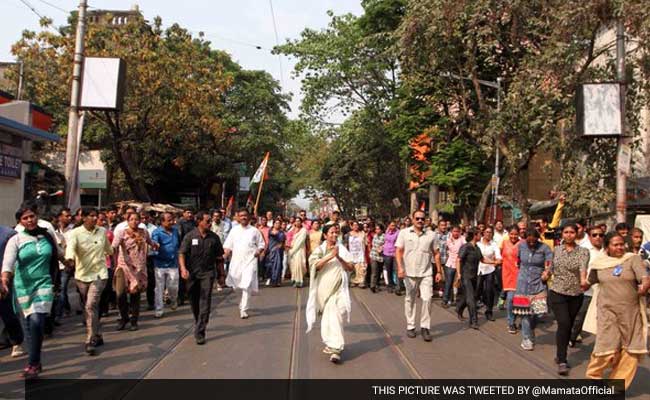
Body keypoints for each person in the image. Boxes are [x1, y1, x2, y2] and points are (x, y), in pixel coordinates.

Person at [583, 232, 650, 390]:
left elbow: (645, 278)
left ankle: (616, 386)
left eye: (622, 244)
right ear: (607, 247)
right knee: (606, 346)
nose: (620, 247)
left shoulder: (631, 259)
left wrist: (644, 287)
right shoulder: (599, 263)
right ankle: (593, 376)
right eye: (615, 245)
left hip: (631, 312)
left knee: (631, 350)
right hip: (607, 311)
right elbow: (588, 282)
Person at [1, 205, 58, 379]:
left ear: (37, 216)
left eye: (32, 216)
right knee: (30, 326)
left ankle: (33, 364)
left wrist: (69, 262)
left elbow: (57, 253)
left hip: (44, 284)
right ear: (20, 221)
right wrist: (4, 281)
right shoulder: (16, 240)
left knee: (36, 321)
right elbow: (8, 263)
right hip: (23, 287)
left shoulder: (47, 235)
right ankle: (36, 361)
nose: (29, 220)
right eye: (25, 218)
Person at [64, 208, 113, 356]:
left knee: (91, 304)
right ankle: (97, 333)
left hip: (99, 274)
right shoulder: (75, 233)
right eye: (91, 216)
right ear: (83, 218)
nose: (94, 218)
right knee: (90, 306)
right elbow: (70, 249)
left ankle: (89, 340)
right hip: (82, 275)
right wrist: (70, 260)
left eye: (95, 216)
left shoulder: (102, 231)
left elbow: (109, 250)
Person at [306, 224, 354, 363]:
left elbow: (350, 267)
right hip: (324, 289)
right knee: (330, 316)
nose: (334, 235)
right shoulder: (320, 250)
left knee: (336, 314)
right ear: (325, 235)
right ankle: (333, 345)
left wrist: (338, 257)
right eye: (331, 233)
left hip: (339, 288)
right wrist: (330, 256)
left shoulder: (342, 249)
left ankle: (335, 347)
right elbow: (314, 266)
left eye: (336, 233)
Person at [548, 223, 589, 375]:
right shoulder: (557, 250)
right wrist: (546, 274)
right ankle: (563, 360)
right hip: (557, 291)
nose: (569, 235)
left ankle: (560, 354)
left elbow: (583, 268)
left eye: (572, 232)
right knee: (564, 323)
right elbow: (552, 267)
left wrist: (583, 280)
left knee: (567, 326)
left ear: (576, 234)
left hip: (575, 294)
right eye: (566, 232)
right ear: (562, 234)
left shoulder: (583, 252)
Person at [396, 210, 442, 342]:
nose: (420, 221)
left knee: (427, 299)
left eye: (422, 219)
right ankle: (410, 326)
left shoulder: (432, 235)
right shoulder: (404, 233)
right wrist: (400, 267)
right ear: (412, 219)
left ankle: (425, 327)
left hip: (426, 273)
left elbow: (436, 253)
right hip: (409, 273)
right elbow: (398, 251)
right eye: (417, 218)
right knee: (410, 299)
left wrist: (439, 271)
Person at [179, 211, 224, 344]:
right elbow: (181, 253)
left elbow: (219, 258)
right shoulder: (189, 236)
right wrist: (183, 268)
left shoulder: (214, 238)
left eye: (210, 221)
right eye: (207, 221)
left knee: (205, 301)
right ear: (199, 221)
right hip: (192, 274)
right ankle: (199, 320)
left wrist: (221, 275)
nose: (210, 223)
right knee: (194, 301)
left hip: (208, 274)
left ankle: (200, 331)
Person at [112, 212, 158, 331]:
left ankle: (134, 320)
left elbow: (150, 242)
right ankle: (123, 317)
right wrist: (111, 259)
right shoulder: (121, 232)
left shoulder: (144, 232)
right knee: (120, 294)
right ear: (127, 221)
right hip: (124, 266)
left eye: (137, 219)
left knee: (135, 295)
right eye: (131, 219)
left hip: (139, 268)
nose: (134, 221)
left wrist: (155, 245)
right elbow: (113, 247)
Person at [514, 229, 553, 351]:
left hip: (538, 283)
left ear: (538, 239)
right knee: (525, 313)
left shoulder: (545, 248)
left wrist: (546, 273)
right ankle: (527, 338)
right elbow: (518, 261)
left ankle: (531, 328)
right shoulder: (521, 246)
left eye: (533, 242)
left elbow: (549, 264)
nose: (531, 244)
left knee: (539, 311)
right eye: (529, 241)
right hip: (523, 284)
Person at [224, 209, 265, 319]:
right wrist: (224, 255)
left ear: (249, 217)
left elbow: (261, 244)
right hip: (236, 262)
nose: (243, 218)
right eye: (241, 216)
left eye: (245, 216)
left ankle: (244, 309)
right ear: (237, 217)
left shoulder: (255, 231)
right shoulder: (234, 230)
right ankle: (241, 303)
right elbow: (228, 246)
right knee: (236, 287)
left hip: (250, 261)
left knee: (246, 285)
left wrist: (258, 251)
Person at [570, 225, 605, 346]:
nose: (598, 238)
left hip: (605, 292)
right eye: (594, 235)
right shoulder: (583, 250)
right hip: (587, 291)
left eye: (601, 235)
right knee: (580, 317)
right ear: (589, 237)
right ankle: (572, 337)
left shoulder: (608, 250)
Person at [0, 225, 25, 360]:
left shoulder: (8, 234)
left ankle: (16, 341)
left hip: (3, 279)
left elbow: (16, 257)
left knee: (7, 312)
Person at [151, 212, 181, 318]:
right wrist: (155, 245)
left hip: (173, 263)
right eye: (169, 220)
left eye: (172, 219)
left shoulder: (175, 231)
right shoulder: (157, 232)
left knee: (173, 286)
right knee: (159, 287)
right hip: (160, 264)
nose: (172, 222)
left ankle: (173, 300)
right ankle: (159, 309)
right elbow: (154, 242)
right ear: (162, 221)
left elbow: (179, 245)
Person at [455, 229, 483, 329]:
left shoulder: (477, 248)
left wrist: (495, 262)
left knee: (468, 296)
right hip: (465, 276)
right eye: (480, 234)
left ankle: (459, 308)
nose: (481, 236)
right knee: (471, 299)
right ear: (475, 235)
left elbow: (482, 259)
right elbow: (458, 260)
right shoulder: (466, 247)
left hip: (474, 276)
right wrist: (458, 274)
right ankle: (473, 321)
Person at [476, 226, 501, 321]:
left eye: (490, 232)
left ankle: (489, 311)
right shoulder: (478, 243)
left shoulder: (494, 245)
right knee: (477, 289)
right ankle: (474, 307)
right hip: (479, 269)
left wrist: (498, 260)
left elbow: (498, 256)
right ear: (483, 233)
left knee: (489, 290)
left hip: (490, 269)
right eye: (486, 232)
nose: (488, 234)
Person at [500, 225, 521, 334]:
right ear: (508, 234)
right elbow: (500, 256)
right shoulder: (504, 243)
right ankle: (511, 322)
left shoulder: (522, 244)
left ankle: (522, 319)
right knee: (510, 299)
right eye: (511, 234)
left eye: (515, 234)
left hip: (520, 275)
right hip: (507, 275)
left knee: (519, 300)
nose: (513, 236)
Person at [443, 226, 465, 307]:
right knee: (448, 283)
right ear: (451, 232)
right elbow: (454, 249)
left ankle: (457, 300)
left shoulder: (462, 239)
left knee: (459, 283)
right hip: (450, 263)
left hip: (460, 264)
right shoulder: (449, 239)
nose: (455, 233)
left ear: (459, 232)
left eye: (457, 231)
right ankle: (446, 300)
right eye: (454, 231)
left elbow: (465, 247)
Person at [287, 217, 308, 288]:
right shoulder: (291, 229)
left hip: (300, 249)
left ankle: (300, 281)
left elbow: (301, 241)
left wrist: (293, 250)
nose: (297, 222)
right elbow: (288, 238)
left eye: (299, 221)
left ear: (301, 222)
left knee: (299, 264)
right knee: (293, 265)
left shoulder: (303, 230)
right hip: (291, 250)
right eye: (296, 221)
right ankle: (294, 279)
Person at [265, 219, 286, 287]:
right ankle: (270, 279)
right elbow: (269, 240)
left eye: (279, 223)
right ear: (273, 224)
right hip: (270, 251)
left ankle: (276, 281)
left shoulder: (281, 233)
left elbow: (281, 243)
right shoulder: (270, 231)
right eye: (276, 223)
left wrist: (276, 248)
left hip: (278, 252)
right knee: (269, 265)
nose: (277, 224)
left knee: (277, 266)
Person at [382, 221, 399, 294]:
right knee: (389, 270)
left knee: (396, 270)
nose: (392, 227)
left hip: (395, 253)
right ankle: (390, 285)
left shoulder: (398, 233)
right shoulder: (387, 232)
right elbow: (385, 241)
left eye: (394, 225)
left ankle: (398, 287)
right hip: (386, 253)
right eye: (391, 225)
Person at [369, 224, 385, 293]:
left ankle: (377, 284)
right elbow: (373, 245)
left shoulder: (384, 236)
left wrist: (382, 248)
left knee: (379, 272)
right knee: (374, 271)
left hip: (381, 257)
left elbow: (387, 244)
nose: (377, 230)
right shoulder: (375, 236)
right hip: (374, 255)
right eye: (376, 229)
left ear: (381, 230)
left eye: (378, 229)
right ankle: (372, 286)